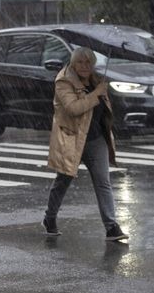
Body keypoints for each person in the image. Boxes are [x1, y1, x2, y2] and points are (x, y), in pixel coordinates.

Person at [43, 47, 127, 242]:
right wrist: (96, 94)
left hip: (96, 139)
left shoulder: (96, 79)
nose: (84, 66)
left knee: (103, 182)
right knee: (63, 181)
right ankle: (50, 217)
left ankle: (111, 226)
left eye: (88, 62)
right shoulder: (64, 80)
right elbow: (73, 108)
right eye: (80, 62)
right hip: (71, 139)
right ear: (73, 63)